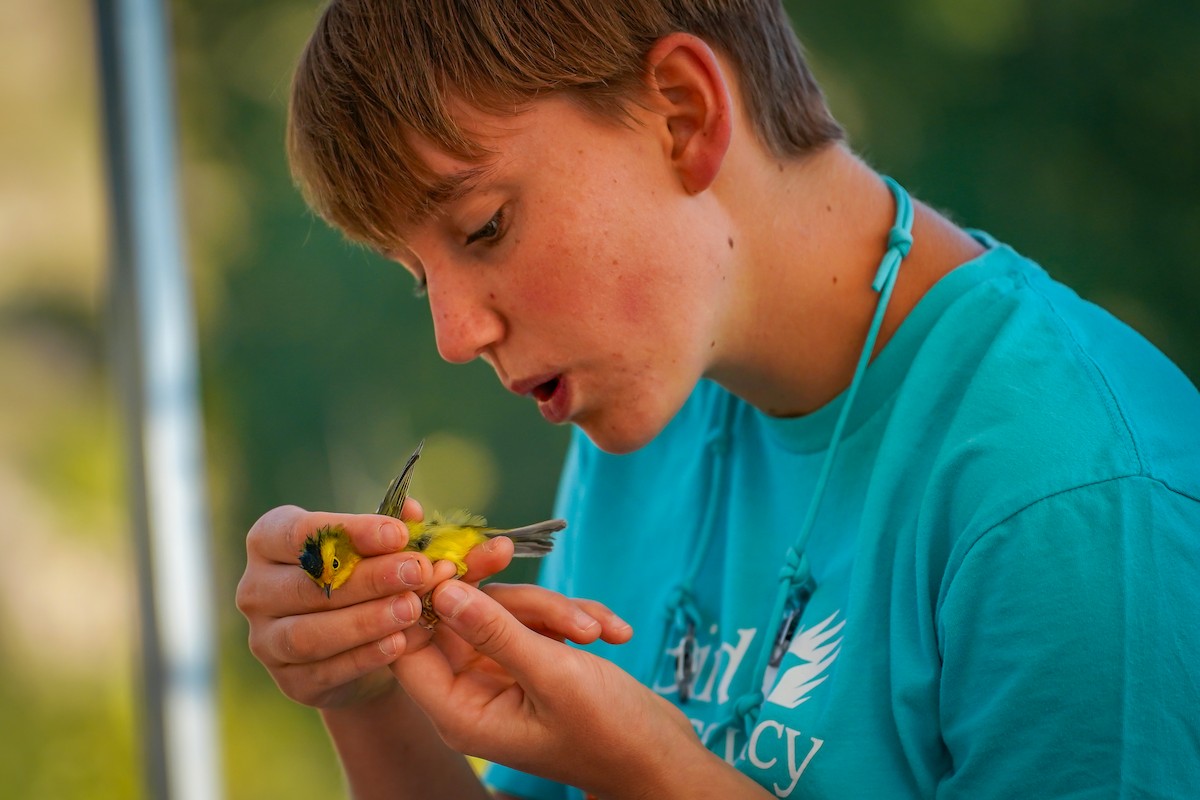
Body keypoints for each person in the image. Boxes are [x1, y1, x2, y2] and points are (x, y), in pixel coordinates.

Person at [235, 1, 1200, 797]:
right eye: (418, 277)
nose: (454, 336)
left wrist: (661, 780)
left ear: (684, 115)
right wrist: (367, 694)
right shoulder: (650, 393)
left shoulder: (1073, 496)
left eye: (485, 227)